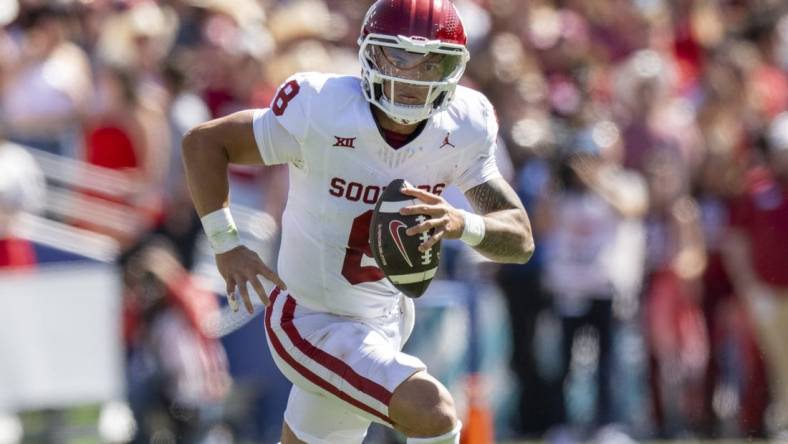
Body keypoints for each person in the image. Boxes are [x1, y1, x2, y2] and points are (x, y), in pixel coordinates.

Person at [181, 0, 534, 442]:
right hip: (311, 316)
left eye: (431, 63)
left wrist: (462, 222)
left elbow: (519, 238)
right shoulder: (321, 107)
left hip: (386, 319)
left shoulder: (464, 125)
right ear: (369, 52)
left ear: (453, 68)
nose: (411, 76)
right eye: (398, 56)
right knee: (434, 411)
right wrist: (226, 243)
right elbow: (204, 144)